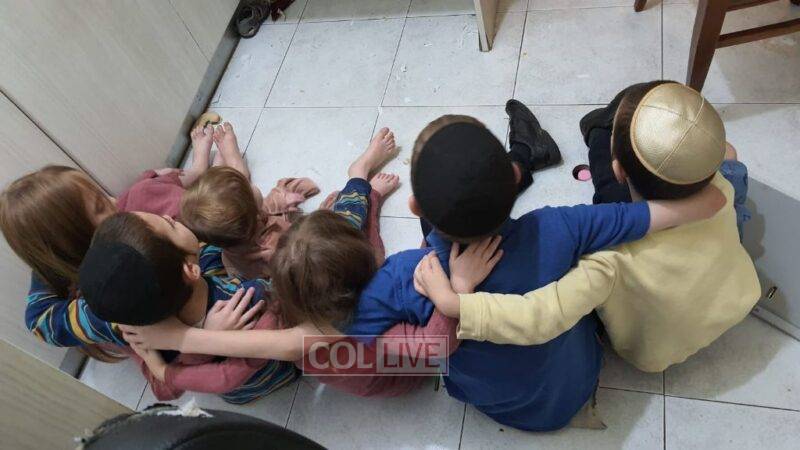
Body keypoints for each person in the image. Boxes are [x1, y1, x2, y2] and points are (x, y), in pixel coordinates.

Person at [413, 81, 760, 373]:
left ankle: (594, 131)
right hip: (739, 298)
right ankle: (580, 134)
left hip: (653, 355)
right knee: (728, 161)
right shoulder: (719, 187)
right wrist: (708, 191)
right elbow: (722, 155)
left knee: (608, 155)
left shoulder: (605, 262)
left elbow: (539, 316)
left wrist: (456, 303)